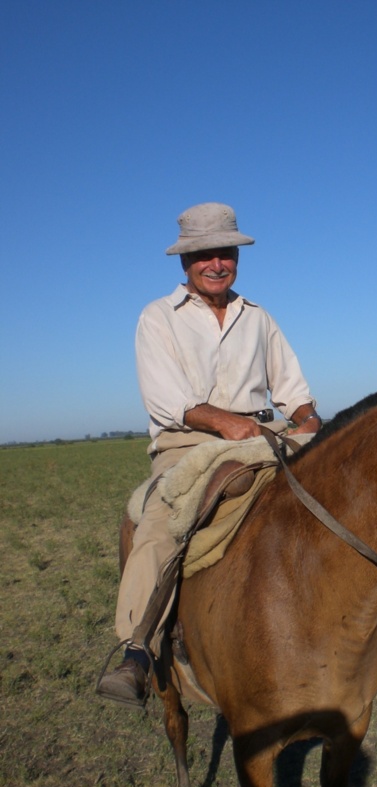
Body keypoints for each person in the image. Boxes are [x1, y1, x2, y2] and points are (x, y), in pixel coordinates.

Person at [97, 202, 321, 707]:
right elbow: (166, 399)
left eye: (225, 253)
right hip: (188, 442)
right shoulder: (157, 318)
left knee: (340, 477)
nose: (216, 263)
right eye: (204, 255)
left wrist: (308, 417)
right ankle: (137, 649)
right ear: (185, 262)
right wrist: (223, 422)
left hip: (261, 437)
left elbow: (291, 385)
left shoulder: (258, 317)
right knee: (162, 516)